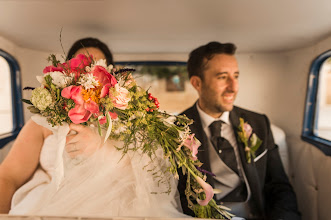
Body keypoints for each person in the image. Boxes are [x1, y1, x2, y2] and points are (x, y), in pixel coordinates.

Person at [0, 39, 186, 217]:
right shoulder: (42, 122)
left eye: (97, 67)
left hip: (115, 203)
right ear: (65, 73)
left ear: (110, 76)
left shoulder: (130, 118)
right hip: (49, 202)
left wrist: (102, 148)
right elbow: (7, 177)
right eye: (81, 67)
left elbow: (150, 172)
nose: (88, 74)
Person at [177, 41, 301, 220]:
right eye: (222, 77)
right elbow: (179, 196)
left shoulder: (259, 123)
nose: (234, 87)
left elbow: (278, 186)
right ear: (197, 83)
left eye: (236, 76)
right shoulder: (176, 130)